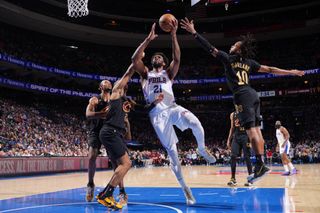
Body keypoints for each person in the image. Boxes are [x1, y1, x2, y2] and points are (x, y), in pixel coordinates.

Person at [180, 17, 304, 183]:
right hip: (253, 94)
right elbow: (270, 69)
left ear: (238, 50)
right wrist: (291, 72)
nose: (231, 46)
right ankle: (260, 164)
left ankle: (260, 164)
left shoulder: (227, 58)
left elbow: (209, 48)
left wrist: (194, 33)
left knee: (251, 131)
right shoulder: (249, 62)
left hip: (241, 95)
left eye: (234, 45)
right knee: (257, 130)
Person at [131, 21, 216, 205]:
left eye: (161, 57)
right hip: (157, 115)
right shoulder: (146, 74)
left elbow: (177, 59)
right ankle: (186, 189)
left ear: (164, 62)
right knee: (174, 156)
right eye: (155, 57)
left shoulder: (169, 73)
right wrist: (148, 39)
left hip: (173, 108)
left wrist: (173, 35)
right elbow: (134, 60)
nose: (158, 58)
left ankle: (201, 148)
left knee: (196, 123)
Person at [96, 65, 135, 210]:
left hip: (114, 133)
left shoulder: (125, 104)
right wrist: (137, 61)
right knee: (127, 164)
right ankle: (106, 194)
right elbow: (128, 71)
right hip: (109, 132)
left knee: (120, 166)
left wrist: (127, 124)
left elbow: (129, 137)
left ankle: (108, 195)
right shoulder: (116, 93)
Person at [226, 111, 253, 186]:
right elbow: (232, 128)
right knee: (233, 156)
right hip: (236, 137)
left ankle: (250, 179)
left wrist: (250, 140)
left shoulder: (247, 112)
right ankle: (233, 179)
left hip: (245, 136)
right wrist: (229, 139)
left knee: (247, 157)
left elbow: (250, 128)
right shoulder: (232, 114)